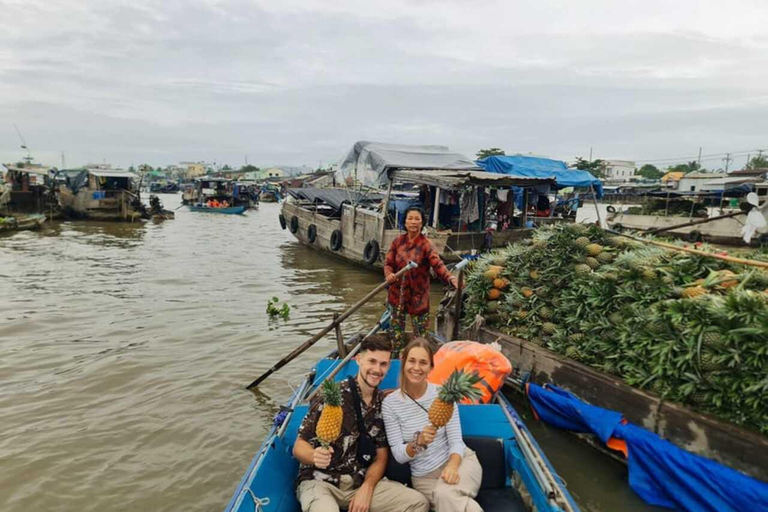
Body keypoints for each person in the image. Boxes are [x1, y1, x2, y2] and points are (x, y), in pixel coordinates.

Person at [293, 336, 429, 512]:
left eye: (383, 364)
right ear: (359, 360)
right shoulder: (332, 395)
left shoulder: (383, 403)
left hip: (358, 482)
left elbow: (381, 456)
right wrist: (313, 455)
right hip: (320, 482)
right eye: (372, 361)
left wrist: (367, 487)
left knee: (418, 503)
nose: (377, 369)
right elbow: (299, 446)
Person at [382, 338, 483, 512]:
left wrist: (452, 466)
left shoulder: (443, 394)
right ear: (403, 362)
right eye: (412, 361)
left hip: (460, 462)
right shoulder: (390, 404)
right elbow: (398, 454)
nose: (416, 367)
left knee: (445, 496)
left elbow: (456, 441)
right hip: (424, 479)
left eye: (423, 363)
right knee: (463, 505)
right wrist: (418, 442)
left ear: (431, 367)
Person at [384, 206, 458, 356]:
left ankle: (417, 363)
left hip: (418, 298)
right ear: (405, 222)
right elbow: (388, 263)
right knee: (395, 337)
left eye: (417, 219)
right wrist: (389, 274)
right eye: (410, 218)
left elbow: (437, 265)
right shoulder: (398, 242)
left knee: (420, 340)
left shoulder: (426, 244)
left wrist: (450, 277)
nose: (413, 222)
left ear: (422, 223)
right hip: (397, 296)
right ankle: (394, 363)